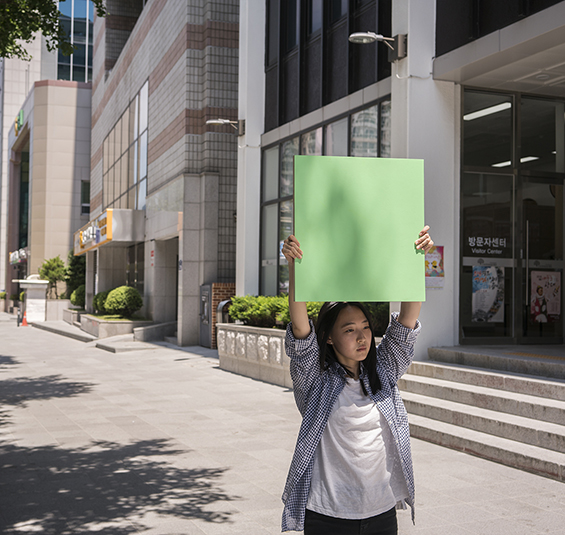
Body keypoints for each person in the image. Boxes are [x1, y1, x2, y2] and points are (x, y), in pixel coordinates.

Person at [280, 226, 434, 534]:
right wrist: (294, 266)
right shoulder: (316, 381)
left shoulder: (384, 372)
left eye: (365, 326)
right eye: (349, 330)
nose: (362, 336)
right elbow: (300, 330)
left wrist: (417, 258)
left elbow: (405, 325)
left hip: (381, 513)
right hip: (327, 515)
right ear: (329, 339)